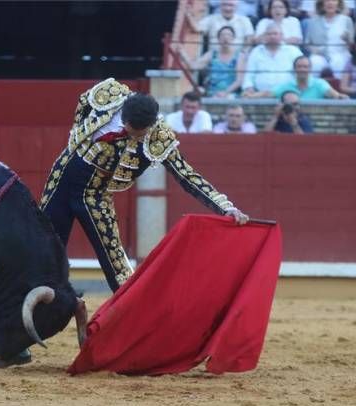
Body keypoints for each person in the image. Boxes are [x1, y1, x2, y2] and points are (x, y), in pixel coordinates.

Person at [39, 78, 249, 294]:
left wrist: (225, 207)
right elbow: (84, 101)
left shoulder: (159, 136)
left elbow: (187, 175)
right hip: (63, 176)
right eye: (130, 130)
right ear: (124, 116)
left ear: (150, 126)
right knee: (43, 248)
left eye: (139, 134)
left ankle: (131, 316)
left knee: (117, 263)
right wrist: (77, 135)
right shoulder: (108, 94)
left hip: (95, 194)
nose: (133, 136)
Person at [174, 26, 247, 97]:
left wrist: (225, 92)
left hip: (231, 94)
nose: (225, 38)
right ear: (218, 39)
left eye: (229, 35)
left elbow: (239, 81)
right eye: (222, 35)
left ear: (233, 38)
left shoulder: (240, 56)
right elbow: (194, 66)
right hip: (211, 93)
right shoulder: (211, 54)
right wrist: (182, 53)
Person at [241, 24, 303, 95]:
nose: (272, 36)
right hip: (259, 95)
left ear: (282, 36)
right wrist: (249, 88)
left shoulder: (293, 51)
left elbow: (302, 72)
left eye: (275, 34)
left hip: (287, 94)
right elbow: (249, 74)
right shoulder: (256, 51)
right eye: (269, 34)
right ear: (264, 36)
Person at [304, 0, 355, 76]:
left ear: (338, 3)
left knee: (339, 63)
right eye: (326, 1)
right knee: (315, 62)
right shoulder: (313, 21)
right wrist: (313, 49)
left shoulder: (347, 20)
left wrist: (347, 39)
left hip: (340, 54)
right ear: (322, 3)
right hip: (319, 54)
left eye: (333, 0)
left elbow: (351, 45)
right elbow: (307, 43)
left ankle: (338, 87)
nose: (330, 3)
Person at [272, 54, 350, 99]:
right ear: (294, 69)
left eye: (305, 67)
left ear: (310, 69)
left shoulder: (320, 83)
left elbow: (332, 93)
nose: (302, 69)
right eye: (299, 66)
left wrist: (340, 96)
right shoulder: (287, 85)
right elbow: (268, 94)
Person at [187, 0, 254, 50]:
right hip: (214, 59)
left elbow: (249, 40)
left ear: (236, 7)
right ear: (220, 6)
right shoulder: (212, 19)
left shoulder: (244, 20)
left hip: (237, 61)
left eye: (231, 5)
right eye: (225, 5)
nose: (227, 8)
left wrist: (244, 54)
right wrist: (188, 14)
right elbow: (196, 28)